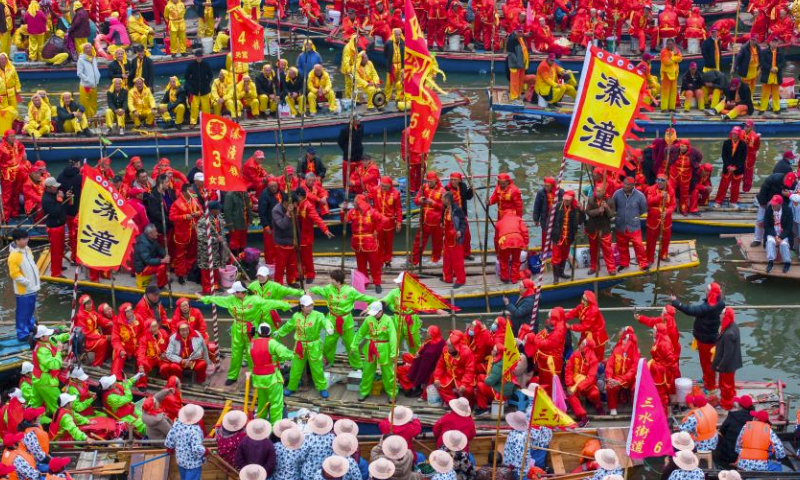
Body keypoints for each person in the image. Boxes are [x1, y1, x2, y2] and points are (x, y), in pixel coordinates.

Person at [200, 281, 292, 385]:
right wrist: (204, 298)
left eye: (235, 292)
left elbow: (269, 303)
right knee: (236, 353)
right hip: (237, 328)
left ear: (240, 292)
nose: (233, 294)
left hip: (251, 329)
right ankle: (232, 376)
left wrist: (285, 305)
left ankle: (255, 376)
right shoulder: (231, 300)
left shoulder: (254, 300)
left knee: (252, 353)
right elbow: (218, 299)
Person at [310, 269, 375, 369]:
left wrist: (369, 308)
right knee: (328, 345)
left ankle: (357, 366)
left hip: (346, 323)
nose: (331, 281)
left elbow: (369, 298)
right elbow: (318, 289)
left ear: (338, 280)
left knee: (351, 345)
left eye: (332, 279)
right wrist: (309, 291)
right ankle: (327, 363)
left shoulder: (350, 291)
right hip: (331, 321)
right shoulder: (329, 289)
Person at [275, 295, 333, 398]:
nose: (310, 307)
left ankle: (322, 387)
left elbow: (325, 321)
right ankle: (291, 387)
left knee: (317, 368)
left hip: (314, 344)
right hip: (300, 345)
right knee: (296, 368)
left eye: (311, 305)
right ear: (302, 307)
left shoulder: (318, 315)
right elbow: (288, 326)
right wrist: (279, 332)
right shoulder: (296, 316)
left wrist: (329, 327)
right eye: (308, 306)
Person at [671, 283, 724, 394]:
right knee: (705, 363)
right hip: (707, 337)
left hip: (706, 340)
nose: (705, 290)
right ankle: (706, 380)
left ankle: (710, 388)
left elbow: (691, 311)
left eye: (708, 289)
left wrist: (676, 303)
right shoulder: (719, 303)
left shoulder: (708, 307)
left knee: (707, 364)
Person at [352, 301, 397, 402]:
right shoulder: (368, 319)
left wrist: (394, 353)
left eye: (376, 313)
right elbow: (360, 333)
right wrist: (354, 346)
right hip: (370, 347)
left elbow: (393, 337)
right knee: (367, 371)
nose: (374, 315)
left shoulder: (388, 320)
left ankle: (392, 393)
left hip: (384, 347)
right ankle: (364, 392)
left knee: (388, 373)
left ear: (381, 311)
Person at [249, 324, 292, 421]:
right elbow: (285, 353)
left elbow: (251, 355)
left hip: (258, 378)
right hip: (272, 377)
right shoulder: (272, 342)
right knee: (276, 403)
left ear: (258, 332)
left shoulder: (252, 343)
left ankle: (260, 424)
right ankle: (275, 427)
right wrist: (294, 355)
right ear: (269, 333)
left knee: (262, 402)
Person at [344, 195, 385, 292]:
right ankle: (364, 282)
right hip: (357, 243)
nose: (353, 203)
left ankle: (377, 282)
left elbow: (383, 220)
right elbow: (345, 220)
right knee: (361, 265)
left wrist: (376, 231)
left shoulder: (372, 212)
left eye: (355, 202)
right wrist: (343, 212)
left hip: (369, 242)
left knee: (374, 264)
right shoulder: (352, 212)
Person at [8, 229, 39, 341]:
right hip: (23, 290)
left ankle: (30, 326)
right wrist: (27, 282)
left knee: (30, 310)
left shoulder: (27, 250)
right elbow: (14, 274)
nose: (27, 240)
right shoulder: (14, 255)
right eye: (24, 239)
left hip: (32, 287)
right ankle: (22, 333)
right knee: (22, 312)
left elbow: (32, 264)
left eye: (27, 238)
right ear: (17, 241)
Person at [612, 177, 649, 271]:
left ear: (633, 186)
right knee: (622, 246)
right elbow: (613, 206)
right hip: (621, 225)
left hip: (634, 225)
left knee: (639, 245)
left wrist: (634, 216)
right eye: (624, 183)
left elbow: (643, 209)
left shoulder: (640, 195)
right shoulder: (617, 193)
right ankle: (624, 263)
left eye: (628, 184)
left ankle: (643, 263)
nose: (625, 186)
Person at [396, 326, 445, 397]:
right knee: (405, 356)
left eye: (428, 332)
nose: (426, 333)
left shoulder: (430, 351)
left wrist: (416, 381)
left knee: (399, 370)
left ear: (431, 334)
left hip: (424, 366)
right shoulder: (441, 341)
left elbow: (423, 369)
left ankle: (411, 386)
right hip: (426, 361)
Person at [169, 183, 201, 284]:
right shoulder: (177, 203)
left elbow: (201, 211)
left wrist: (198, 214)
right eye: (188, 191)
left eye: (191, 190)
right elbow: (172, 217)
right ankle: (180, 275)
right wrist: (184, 217)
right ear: (183, 192)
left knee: (192, 253)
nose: (191, 192)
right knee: (180, 256)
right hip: (181, 234)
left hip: (194, 232)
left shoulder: (194, 201)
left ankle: (189, 270)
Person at [565, 338, 602, 424]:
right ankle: (583, 416)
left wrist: (579, 386)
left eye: (582, 344)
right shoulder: (575, 355)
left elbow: (591, 377)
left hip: (588, 386)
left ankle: (597, 405)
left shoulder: (593, 359)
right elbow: (568, 370)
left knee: (594, 394)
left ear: (586, 347)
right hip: (575, 383)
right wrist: (569, 385)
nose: (579, 345)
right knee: (571, 395)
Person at [412, 172, 445, 266]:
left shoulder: (442, 191)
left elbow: (444, 207)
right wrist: (419, 200)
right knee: (418, 240)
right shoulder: (423, 187)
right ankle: (414, 260)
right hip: (424, 220)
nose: (429, 183)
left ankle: (435, 259)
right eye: (428, 181)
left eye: (431, 181)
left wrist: (433, 203)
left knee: (437, 241)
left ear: (436, 180)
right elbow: (416, 201)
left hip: (437, 221)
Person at [432, 332, 475, 405]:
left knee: (468, 391)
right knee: (439, 386)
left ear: (455, 346)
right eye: (447, 344)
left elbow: (469, 370)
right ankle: (453, 404)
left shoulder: (466, 352)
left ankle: (467, 405)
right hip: (449, 375)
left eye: (449, 345)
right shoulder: (445, 350)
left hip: (462, 377)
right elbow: (440, 365)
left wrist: (464, 384)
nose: (447, 347)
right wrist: (436, 378)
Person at [165, 404, 206, 480]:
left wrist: (170, 448)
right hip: (193, 463)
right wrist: (205, 451)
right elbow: (197, 449)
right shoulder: (195, 430)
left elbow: (169, 439)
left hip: (181, 460)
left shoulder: (177, 424)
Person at [605, 327, 640, 416]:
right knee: (610, 386)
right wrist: (609, 378)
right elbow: (610, 365)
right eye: (623, 339)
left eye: (626, 339)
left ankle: (636, 408)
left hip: (630, 380)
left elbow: (632, 371)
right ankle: (612, 408)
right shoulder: (617, 349)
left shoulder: (635, 353)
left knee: (636, 387)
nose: (623, 341)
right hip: (616, 377)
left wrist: (620, 381)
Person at [713, 307, 743, 410]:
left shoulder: (728, 334)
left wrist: (720, 365)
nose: (719, 316)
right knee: (729, 382)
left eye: (721, 314)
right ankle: (730, 395)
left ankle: (726, 403)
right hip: (733, 362)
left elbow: (727, 354)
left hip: (727, 365)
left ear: (725, 316)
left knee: (726, 385)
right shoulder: (733, 326)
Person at [585, 186, 616, 276]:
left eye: (599, 191)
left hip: (604, 229)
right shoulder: (591, 200)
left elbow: (611, 215)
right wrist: (598, 210)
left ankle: (611, 269)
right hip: (593, 228)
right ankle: (594, 267)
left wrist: (606, 208)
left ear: (604, 191)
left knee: (607, 250)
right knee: (593, 249)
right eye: (596, 191)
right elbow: (588, 212)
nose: (597, 193)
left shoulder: (610, 201)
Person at [645, 174, 676, 265]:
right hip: (653, 219)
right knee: (651, 240)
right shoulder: (650, 189)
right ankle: (649, 258)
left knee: (666, 239)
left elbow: (673, 205)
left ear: (666, 181)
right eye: (658, 179)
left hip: (666, 219)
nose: (659, 181)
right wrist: (660, 196)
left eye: (662, 180)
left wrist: (667, 212)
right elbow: (649, 202)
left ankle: (663, 255)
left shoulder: (671, 191)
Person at [715, 127, 748, 208]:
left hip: (738, 169)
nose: (734, 135)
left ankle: (733, 201)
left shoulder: (743, 144)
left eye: (736, 134)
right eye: (733, 133)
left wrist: (736, 167)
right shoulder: (726, 143)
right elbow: (724, 156)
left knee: (735, 187)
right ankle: (718, 201)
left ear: (739, 134)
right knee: (723, 186)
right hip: (727, 168)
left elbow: (743, 158)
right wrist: (728, 165)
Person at [549, 190, 578, 283]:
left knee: (564, 256)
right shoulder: (557, 207)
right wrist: (550, 237)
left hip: (568, 237)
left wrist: (581, 211)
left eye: (568, 200)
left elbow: (580, 221)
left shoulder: (575, 208)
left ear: (572, 199)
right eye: (564, 199)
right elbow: (549, 222)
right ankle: (556, 277)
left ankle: (561, 273)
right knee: (556, 257)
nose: (565, 201)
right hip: (557, 237)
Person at [717, 395, 755, 465]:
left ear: (740, 405)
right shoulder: (753, 417)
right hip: (747, 456)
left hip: (729, 454)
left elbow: (722, 430)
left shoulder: (733, 415)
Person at [196, 201, 224, 295]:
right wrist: (215, 239)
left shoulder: (218, 218)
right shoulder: (203, 221)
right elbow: (201, 236)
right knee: (206, 268)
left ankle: (215, 285)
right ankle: (207, 289)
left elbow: (220, 231)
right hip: (205, 249)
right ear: (212, 210)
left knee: (215, 265)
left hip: (216, 249)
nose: (219, 210)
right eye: (218, 209)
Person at [271, 194, 298, 285]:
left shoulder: (294, 208)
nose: (295, 205)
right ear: (286, 202)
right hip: (281, 242)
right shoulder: (276, 210)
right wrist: (287, 214)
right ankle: (278, 284)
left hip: (291, 240)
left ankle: (291, 281)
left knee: (292, 264)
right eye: (294, 203)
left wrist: (296, 238)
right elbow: (282, 225)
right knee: (280, 266)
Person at [441, 192, 467, 288]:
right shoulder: (446, 209)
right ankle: (447, 277)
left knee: (457, 260)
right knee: (446, 259)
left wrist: (460, 231)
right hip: (447, 239)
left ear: (447, 200)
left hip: (455, 239)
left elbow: (463, 223)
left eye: (443, 198)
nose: (441, 200)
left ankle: (461, 280)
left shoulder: (457, 210)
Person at [763, 193, 793, 273]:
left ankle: (787, 262)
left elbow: (789, 227)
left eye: (775, 205)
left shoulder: (788, 211)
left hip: (783, 233)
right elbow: (767, 225)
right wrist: (775, 236)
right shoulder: (769, 210)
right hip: (773, 232)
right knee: (770, 241)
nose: (773, 206)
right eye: (772, 204)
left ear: (780, 204)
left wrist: (781, 237)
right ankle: (770, 261)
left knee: (784, 244)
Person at [300, 414, 335, 479]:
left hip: (308, 473)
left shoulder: (307, 438)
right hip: (325, 473)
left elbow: (302, 456)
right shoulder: (333, 438)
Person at [184, 50, 213, 127]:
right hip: (194, 90)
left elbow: (210, 76)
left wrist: (206, 83)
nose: (199, 58)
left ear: (202, 56)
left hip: (205, 90)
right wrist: (192, 84)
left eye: (200, 56)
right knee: (194, 107)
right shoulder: (191, 65)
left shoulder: (206, 65)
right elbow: (186, 77)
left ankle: (207, 121)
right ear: (195, 56)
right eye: (197, 56)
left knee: (206, 107)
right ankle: (193, 122)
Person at [533, 177, 563, 248]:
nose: (545, 187)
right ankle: (545, 251)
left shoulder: (560, 192)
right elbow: (537, 206)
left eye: (547, 186)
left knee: (557, 236)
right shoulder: (541, 193)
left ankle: (555, 252)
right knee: (545, 237)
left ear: (552, 185)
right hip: (545, 218)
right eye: (545, 185)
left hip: (557, 219)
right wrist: (536, 219)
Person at [759, 38, 784, 114]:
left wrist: (777, 68)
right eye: (773, 41)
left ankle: (776, 109)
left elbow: (783, 63)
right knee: (764, 93)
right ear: (769, 42)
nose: (774, 43)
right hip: (767, 74)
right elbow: (762, 63)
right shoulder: (764, 52)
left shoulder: (781, 52)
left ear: (778, 43)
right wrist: (770, 68)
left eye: (776, 42)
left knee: (776, 93)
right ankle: (762, 109)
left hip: (776, 75)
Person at [76, 43, 100, 121]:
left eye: (90, 47)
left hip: (94, 85)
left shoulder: (93, 58)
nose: (89, 49)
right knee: (85, 104)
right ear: (83, 50)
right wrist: (87, 79)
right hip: (86, 86)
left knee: (93, 103)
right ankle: (85, 119)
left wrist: (97, 77)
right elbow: (79, 73)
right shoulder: (81, 60)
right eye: (86, 48)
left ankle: (93, 118)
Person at [660, 39, 682, 112]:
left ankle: (672, 107)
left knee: (673, 91)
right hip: (666, 74)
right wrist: (674, 58)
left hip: (674, 74)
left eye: (671, 44)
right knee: (665, 92)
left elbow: (680, 58)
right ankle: (664, 108)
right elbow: (666, 62)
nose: (670, 45)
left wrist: (672, 58)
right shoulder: (663, 51)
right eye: (668, 44)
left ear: (673, 44)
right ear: (666, 44)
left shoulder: (676, 50)